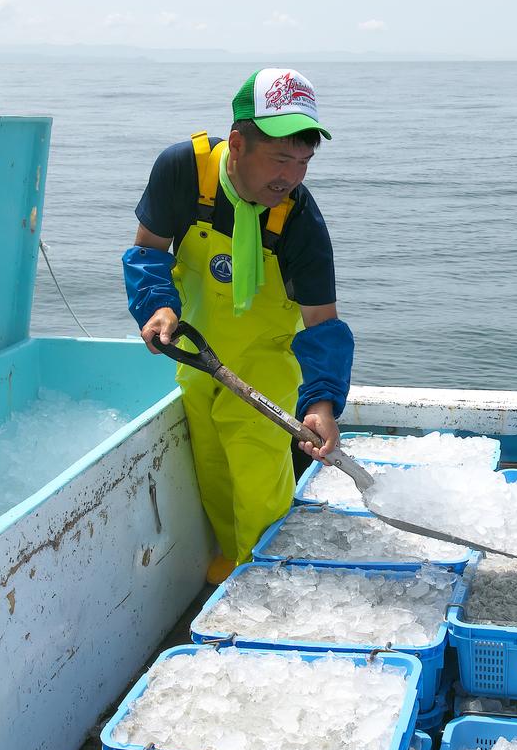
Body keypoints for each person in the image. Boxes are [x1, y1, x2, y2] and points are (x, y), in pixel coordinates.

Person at [123, 68, 354, 584]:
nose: (291, 177)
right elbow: (147, 249)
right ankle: (237, 574)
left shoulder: (300, 220)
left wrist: (320, 405)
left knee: (256, 480)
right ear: (237, 142)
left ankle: (271, 584)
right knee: (212, 475)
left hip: (267, 364)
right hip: (199, 355)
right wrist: (157, 308)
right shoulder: (183, 170)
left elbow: (322, 324)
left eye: (303, 162)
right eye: (279, 159)